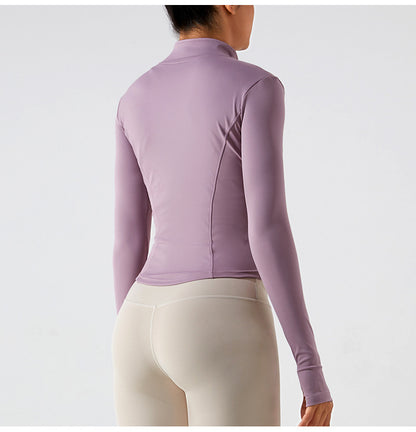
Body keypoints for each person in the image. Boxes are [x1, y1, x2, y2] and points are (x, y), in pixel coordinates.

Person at [111, 5, 334, 427]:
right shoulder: (255, 86)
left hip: (136, 323)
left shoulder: (133, 96)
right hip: (219, 315)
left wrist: (131, 338)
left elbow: (128, 238)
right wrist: (310, 367)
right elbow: (267, 228)